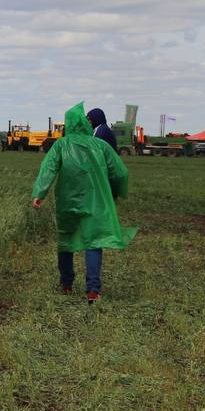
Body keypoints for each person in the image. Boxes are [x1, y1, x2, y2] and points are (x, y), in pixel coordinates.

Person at [31, 102, 136, 303]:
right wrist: (116, 192)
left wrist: (39, 194)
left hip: (67, 201)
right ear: (85, 124)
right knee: (93, 242)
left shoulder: (61, 145)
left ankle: (66, 284)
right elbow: (120, 172)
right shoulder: (101, 145)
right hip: (95, 201)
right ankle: (93, 291)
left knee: (66, 239)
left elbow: (48, 168)